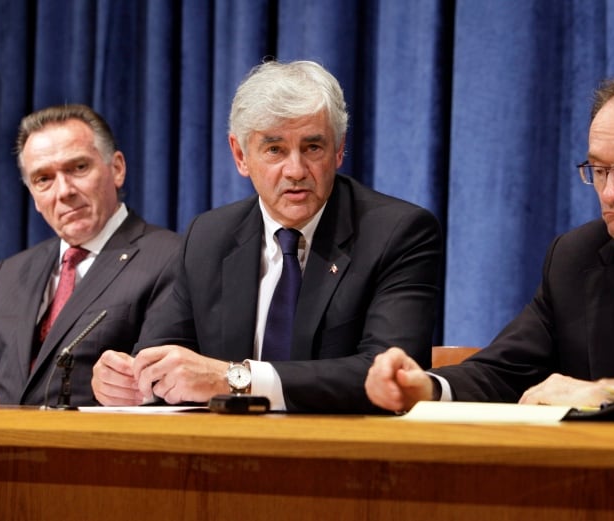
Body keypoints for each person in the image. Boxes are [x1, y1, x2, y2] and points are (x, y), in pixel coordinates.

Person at [365, 72, 614, 413]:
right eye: (599, 170)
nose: (610, 192)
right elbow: (507, 369)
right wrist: (429, 388)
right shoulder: (576, 258)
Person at [91, 60, 442, 413]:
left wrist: (235, 379)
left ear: (338, 150)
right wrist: (131, 382)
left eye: (313, 148)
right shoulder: (209, 237)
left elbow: (392, 379)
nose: (295, 171)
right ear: (241, 155)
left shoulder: (398, 233)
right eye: (275, 149)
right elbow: (164, 356)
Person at [0, 104, 180, 408]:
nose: (64, 191)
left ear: (117, 168)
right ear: (34, 196)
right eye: (44, 179)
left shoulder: (170, 258)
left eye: (78, 168)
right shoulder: (10, 274)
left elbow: (159, 383)